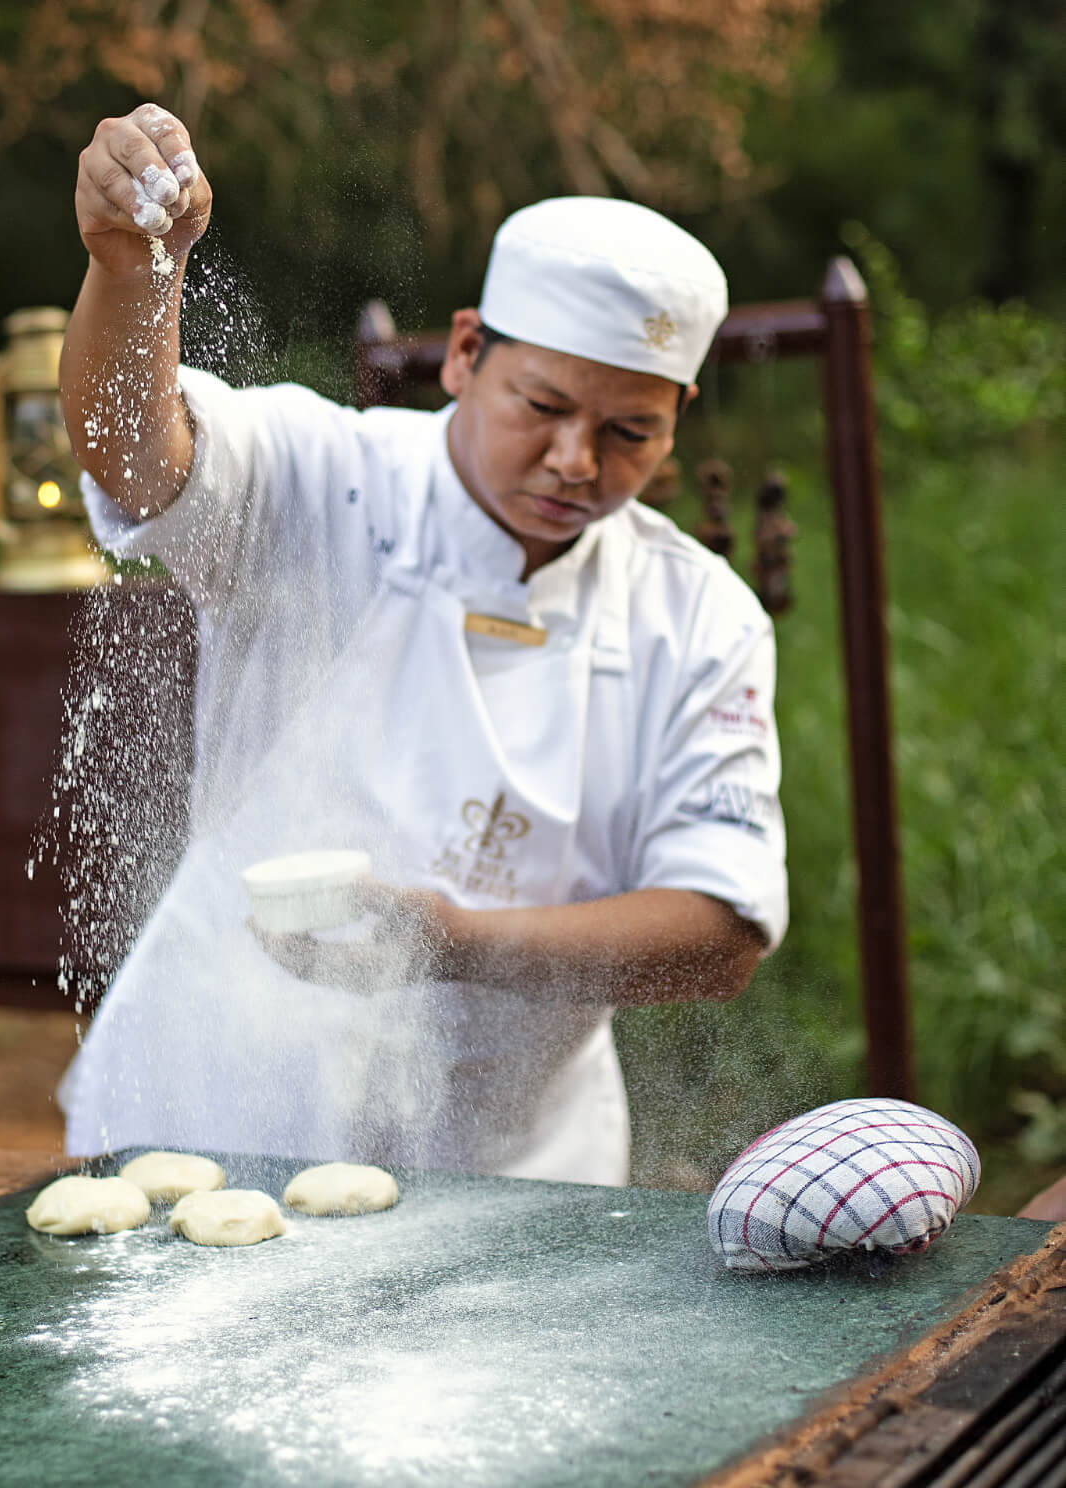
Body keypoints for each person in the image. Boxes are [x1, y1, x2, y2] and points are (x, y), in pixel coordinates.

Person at [55, 103, 787, 1185]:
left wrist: (450, 943)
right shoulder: (320, 477)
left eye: (631, 431)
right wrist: (130, 273)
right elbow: (130, 455)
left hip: (518, 1170)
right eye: (541, 405)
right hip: (213, 1121)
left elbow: (719, 933)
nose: (577, 461)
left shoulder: (700, 613)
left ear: (679, 417)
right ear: (462, 354)